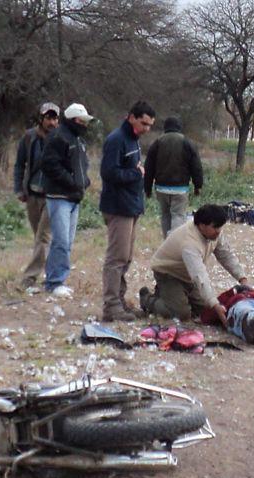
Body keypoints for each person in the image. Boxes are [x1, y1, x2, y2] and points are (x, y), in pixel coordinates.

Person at [139, 204, 247, 324]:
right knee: (181, 314)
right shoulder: (189, 243)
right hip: (168, 273)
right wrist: (215, 305)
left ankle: (171, 295)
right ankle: (147, 299)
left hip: (187, 275)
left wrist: (243, 279)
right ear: (201, 225)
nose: (218, 231)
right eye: (215, 227)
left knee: (205, 310)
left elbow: (226, 255)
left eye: (220, 227)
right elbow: (199, 275)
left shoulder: (214, 233)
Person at [99, 100, 156, 321]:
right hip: (118, 207)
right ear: (131, 117)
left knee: (127, 257)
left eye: (150, 125)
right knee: (116, 258)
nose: (147, 129)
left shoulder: (133, 140)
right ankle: (111, 306)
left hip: (132, 206)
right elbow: (109, 173)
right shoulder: (116, 140)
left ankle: (120, 301)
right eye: (144, 123)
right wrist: (137, 174)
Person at [40, 103, 94, 296]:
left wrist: (84, 182)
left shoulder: (78, 140)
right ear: (73, 120)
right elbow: (50, 165)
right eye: (82, 121)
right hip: (59, 197)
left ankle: (58, 278)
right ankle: (54, 282)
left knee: (68, 241)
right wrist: (72, 182)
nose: (85, 125)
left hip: (74, 198)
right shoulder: (57, 137)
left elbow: (82, 166)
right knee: (61, 241)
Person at [12, 102, 60, 289]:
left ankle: (29, 278)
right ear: (41, 118)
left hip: (52, 195)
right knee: (39, 236)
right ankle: (52, 274)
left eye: (54, 118)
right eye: (48, 118)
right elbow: (19, 164)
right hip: (32, 194)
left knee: (43, 237)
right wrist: (19, 189)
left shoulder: (61, 139)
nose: (51, 122)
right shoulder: (29, 137)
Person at [144, 116, 204, 238]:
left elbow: (149, 168)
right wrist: (198, 185)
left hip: (161, 188)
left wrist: (147, 188)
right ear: (179, 127)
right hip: (180, 189)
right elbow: (196, 166)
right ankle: (174, 243)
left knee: (165, 215)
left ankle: (167, 242)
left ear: (165, 127)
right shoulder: (187, 142)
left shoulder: (157, 143)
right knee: (178, 215)